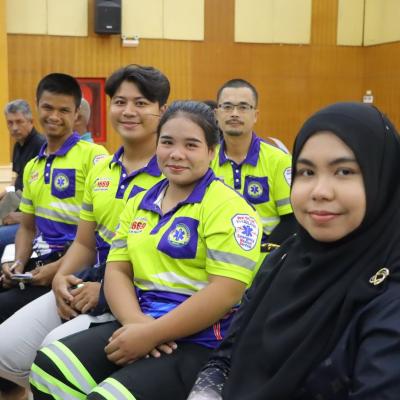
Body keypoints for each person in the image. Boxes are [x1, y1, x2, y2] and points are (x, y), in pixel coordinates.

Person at [30, 100, 262, 400]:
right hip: (140, 319)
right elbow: (117, 270)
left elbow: (225, 292)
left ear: (212, 151)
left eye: (191, 145)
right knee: (48, 369)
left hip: (199, 340)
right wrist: (137, 325)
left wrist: (153, 334)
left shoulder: (230, 208)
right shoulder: (140, 201)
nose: (176, 153)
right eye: (167, 142)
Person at [188, 102, 400, 400]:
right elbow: (225, 358)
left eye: (344, 171)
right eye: (306, 171)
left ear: (384, 179)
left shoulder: (388, 293)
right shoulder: (285, 259)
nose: (320, 191)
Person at [0, 64, 170, 394]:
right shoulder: (103, 170)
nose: (129, 111)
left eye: (141, 103)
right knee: (5, 349)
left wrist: (104, 288)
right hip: (88, 280)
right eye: (120, 102)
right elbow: (85, 244)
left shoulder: (173, 172)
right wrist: (62, 276)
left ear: (162, 110)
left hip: (139, 295)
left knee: (51, 359)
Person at [0, 73, 108, 321]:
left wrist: (58, 269)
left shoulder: (94, 157)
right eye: (48, 108)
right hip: (36, 267)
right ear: (37, 107)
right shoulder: (33, 166)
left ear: (76, 114)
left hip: (72, 272)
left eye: (64, 110)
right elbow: (27, 227)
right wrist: (18, 263)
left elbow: (99, 234)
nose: (54, 116)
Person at [212, 79, 295, 247]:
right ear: (217, 114)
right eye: (227, 107)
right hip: (218, 254)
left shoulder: (280, 160)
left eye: (243, 107)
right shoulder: (205, 160)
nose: (234, 113)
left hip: (266, 255)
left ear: (255, 115)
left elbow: (292, 220)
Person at [0, 100, 46, 259]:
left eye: (19, 122)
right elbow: (17, 182)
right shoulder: (18, 145)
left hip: (34, 221)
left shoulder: (41, 146)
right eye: (10, 123)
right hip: (18, 203)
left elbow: (45, 197)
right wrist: (5, 192)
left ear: (31, 122)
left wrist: (21, 217)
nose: (14, 127)